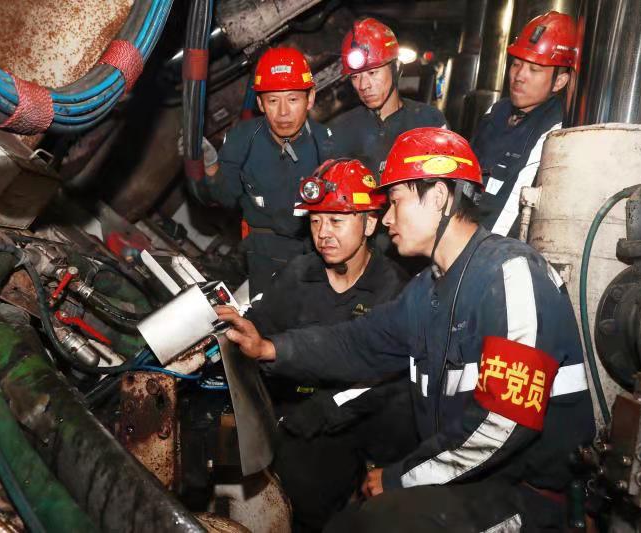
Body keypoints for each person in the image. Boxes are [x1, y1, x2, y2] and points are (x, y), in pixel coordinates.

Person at [218, 128, 595, 532]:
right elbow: (357, 343)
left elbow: (503, 421)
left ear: (438, 197)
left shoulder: (510, 275)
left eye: (396, 201)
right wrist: (269, 348)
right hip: (474, 481)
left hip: (530, 497)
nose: (386, 218)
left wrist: (401, 477)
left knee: (377, 524)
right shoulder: (427, 290)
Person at [246, 158, 415, 531]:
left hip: (345, 427)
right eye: (315, 221)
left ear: (369, 223)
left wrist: (325, 409)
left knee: (307, 500)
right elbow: (261, 328)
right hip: (283, 413)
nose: (323, 233)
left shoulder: (393, 290)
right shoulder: (299, 273)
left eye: (336, 221)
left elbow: (389, 380)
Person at [191, 47, 336, 298]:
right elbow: (225, 197)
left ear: (310, 98)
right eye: (272, 100)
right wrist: (212, 165)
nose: (283, 112)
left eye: (293, 99)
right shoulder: (242, 139)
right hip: (263, 252)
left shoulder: (328, 145)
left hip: (315, 253)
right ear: (260, 103)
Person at [471, 11, 578, 237]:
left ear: (559, 81)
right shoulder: (496, 111)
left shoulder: (555, 129)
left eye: (534, 70)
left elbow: (512, 208)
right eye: (516, 64)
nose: (519, 76)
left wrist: (482, 249)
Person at [329, 17, 447, 176]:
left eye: (372, 73)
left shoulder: (429, 121)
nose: (363, 85)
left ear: (396, 68)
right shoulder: (339, 130)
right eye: (355, 77)